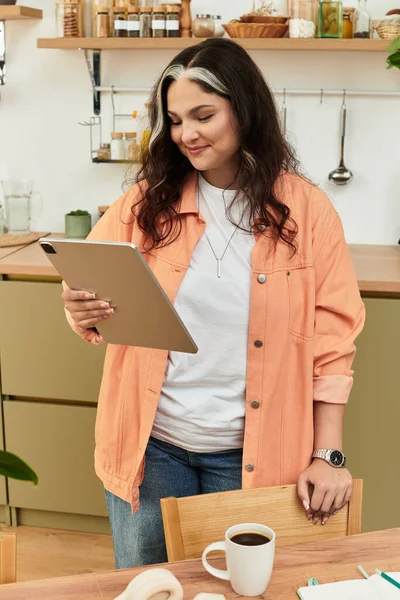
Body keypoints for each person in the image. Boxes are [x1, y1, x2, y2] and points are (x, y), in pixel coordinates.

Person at [62, 38, 365, 568]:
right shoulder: (143, 202)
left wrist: (328, 455)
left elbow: (332, 346)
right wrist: (79, 307)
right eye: (175, 120)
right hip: (151, 447)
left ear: (244, 110)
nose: (187, 134)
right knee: (153, 586)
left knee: (240, 587)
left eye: (203, 115)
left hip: (253, 454)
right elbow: (92, 288)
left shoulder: (308, 212)